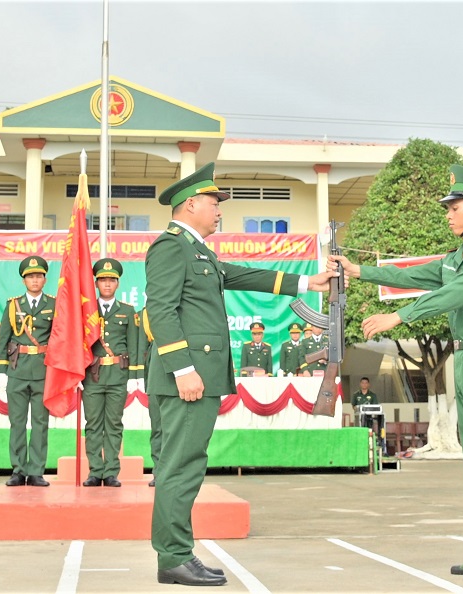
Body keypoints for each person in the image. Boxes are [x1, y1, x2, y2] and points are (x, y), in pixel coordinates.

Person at [329, 164, 463, 582]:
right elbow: (411, 274)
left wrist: (398, 317)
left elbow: (454, 294)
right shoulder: (455, 259)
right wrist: (361, 271)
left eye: (455, 207)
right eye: (448, 208)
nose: (448, 214)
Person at [145, 162, 335, 587]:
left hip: (196, 376)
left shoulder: (198, 251)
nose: (219, 210)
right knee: (180, 466)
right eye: (214, 203)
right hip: (187, 379)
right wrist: (184, 369)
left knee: (185, 464)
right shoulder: (171, 247)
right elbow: (161, 311)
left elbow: (242, 274)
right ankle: (174, 556)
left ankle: (176, 554)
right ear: (190, 205)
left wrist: (308, 282)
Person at [0, 255, 54, 488]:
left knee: (40, 423)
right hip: (17, 370)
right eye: (30, 277)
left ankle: (37, 470)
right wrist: (1, 370)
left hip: (43, 371)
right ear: (23, 280)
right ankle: (18, 470)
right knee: (17, 422)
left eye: (38, 276)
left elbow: (59, 338)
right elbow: (4, 337)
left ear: (45, 279)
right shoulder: (13, 305)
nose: (34, 280)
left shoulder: (53, 305)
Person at [81, 258, 139, 488]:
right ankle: (95, 471)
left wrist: (134, 377)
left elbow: (134, 345)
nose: (107, 284)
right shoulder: (86, 311)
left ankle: (112, 471)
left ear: (118, 283)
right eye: (103, 280)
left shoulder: (127, 311)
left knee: (114, 424)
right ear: (96, 283)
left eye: (111, 280)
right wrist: (76, 374)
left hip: (118, 375)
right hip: (92, 376)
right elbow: (78, 344)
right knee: (93, 424)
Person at [135, 306, 158, 487]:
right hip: (155, 362)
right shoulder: (145, 312)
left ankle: (176, 473)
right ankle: (160, 472)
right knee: (158, 425)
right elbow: (142, 346)